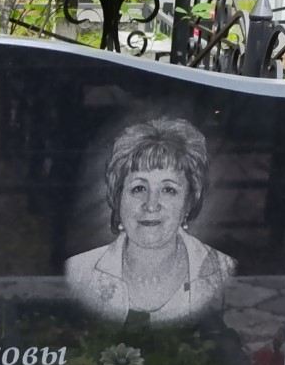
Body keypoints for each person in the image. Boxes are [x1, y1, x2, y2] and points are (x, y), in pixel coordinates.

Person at [64, 117, 237, 326]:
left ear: (189, 202)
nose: (151, 205)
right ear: (118, 198)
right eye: (139, 188)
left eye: (168, 190)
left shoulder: (223, 271)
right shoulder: (78, 272)